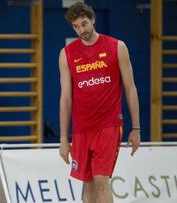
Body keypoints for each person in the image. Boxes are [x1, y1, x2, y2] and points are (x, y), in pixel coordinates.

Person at [58, 2, 140, 203]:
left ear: (93, 19)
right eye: (76, 27)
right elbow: (66, 98)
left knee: (101, 179)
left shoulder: (116, 47)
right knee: (88, 182)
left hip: (109, 125)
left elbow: (130, 88)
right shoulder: (66, 54)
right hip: (81, 128)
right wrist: (63, 138)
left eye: (84, 24)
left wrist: (136, 128)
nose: (81, 30)